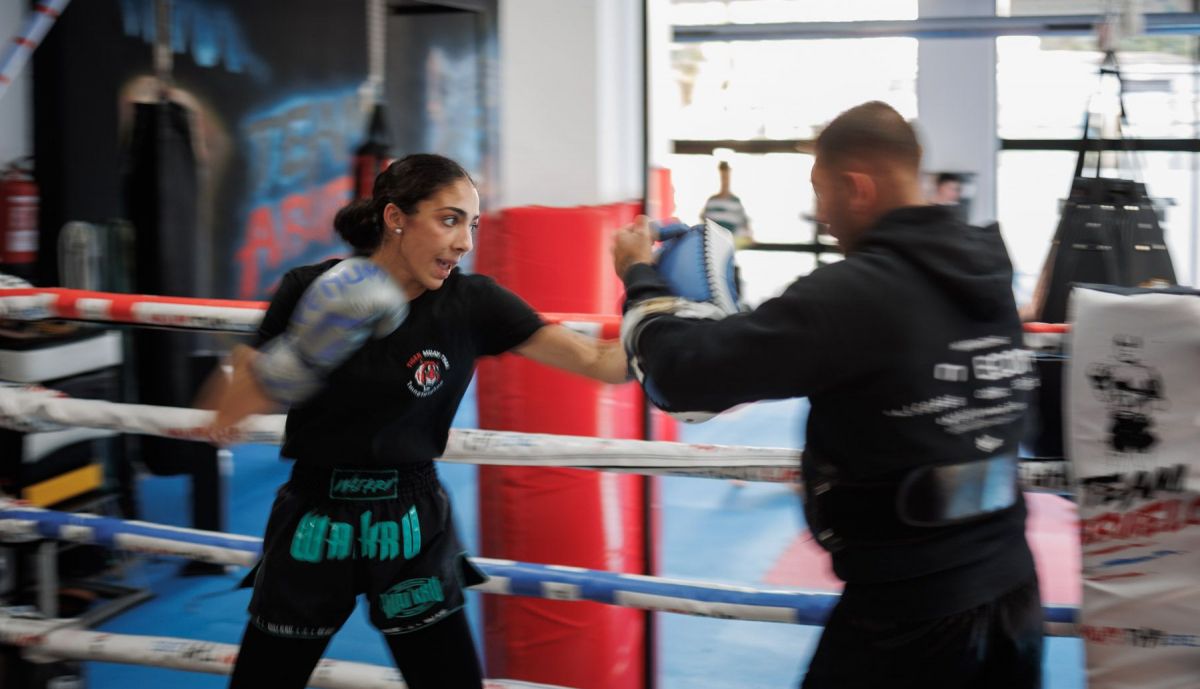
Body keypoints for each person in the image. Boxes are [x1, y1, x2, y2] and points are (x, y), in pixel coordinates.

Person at [614, 102, 1042, 688]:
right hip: (1014, 596)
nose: (821, 216)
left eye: (822, 192)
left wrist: (641, 277)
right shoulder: (988, 268)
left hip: (912, 614)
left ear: (856, 187)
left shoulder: (854, 295)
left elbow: (684, 377)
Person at [204, 153, 630, 689]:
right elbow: (226, 413)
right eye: (449, 219)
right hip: (314, 521)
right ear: (395, 217)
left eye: (471, 225)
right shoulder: (309, 286)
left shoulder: (473, 302)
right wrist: (306, 350)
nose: (464, 243)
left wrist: (646, 287)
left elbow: (603, 364)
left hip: (411, 525)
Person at [701, 160, 753, 249]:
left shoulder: (735, 201)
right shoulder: (712, 200)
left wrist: (749, 234)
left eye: (726, 177)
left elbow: (745, 222)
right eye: (723, 177)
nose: (725, 180)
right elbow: (704, 219)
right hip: (715, 240)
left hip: (730, 240)